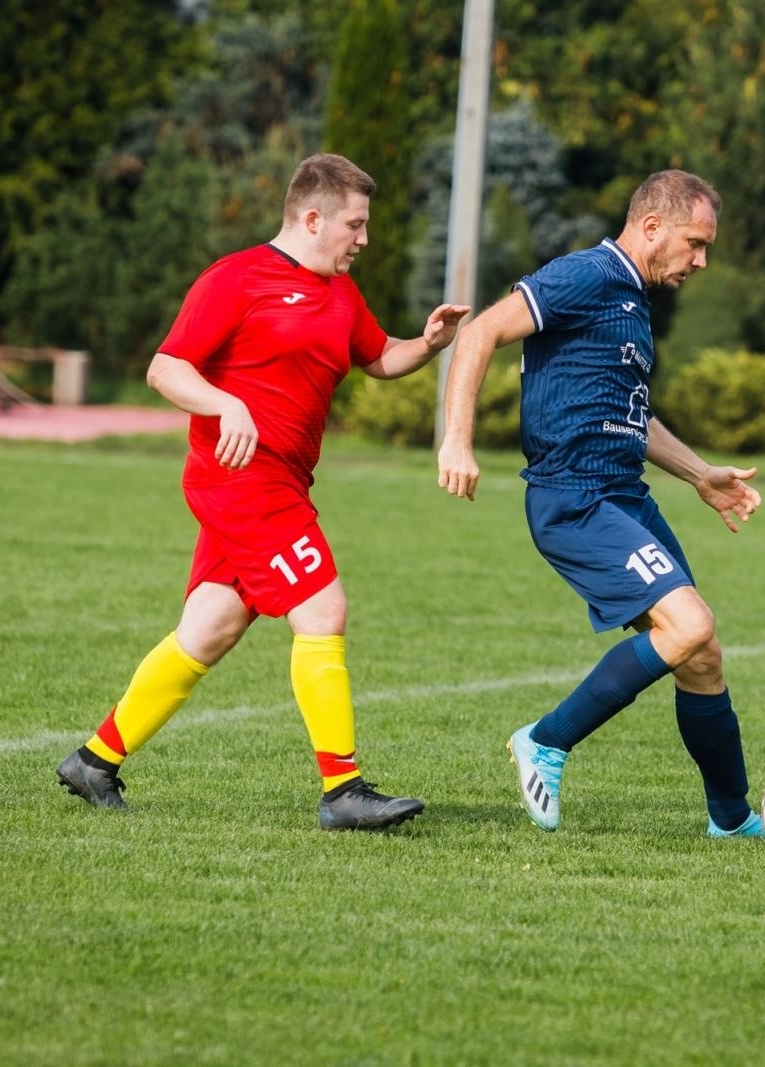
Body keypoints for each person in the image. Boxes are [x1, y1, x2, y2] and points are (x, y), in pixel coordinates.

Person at [56, 153, 469, 829]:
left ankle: (94, 760)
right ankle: (343, 791)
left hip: (283, 481)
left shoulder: (340, 291)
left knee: (210, 627)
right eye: (355, 225)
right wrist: (226, 405)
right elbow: (166, 369)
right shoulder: (237, 278)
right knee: (322, 607)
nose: (364, 239)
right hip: (240, 477)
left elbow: (378, 357)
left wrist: (427, 343)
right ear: (313, 218)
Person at [436, 170, 765, 839]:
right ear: (651, 227)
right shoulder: (586, 274)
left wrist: (700, 474)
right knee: (689, 625)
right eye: (695, 242)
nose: (701, 260)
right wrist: (457, 440)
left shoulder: (633, 300)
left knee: (700, 655)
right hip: (574, 498)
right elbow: (479, 334)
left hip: (625, 497)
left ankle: (731, 820)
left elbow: (631, 416)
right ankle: (546, 740)